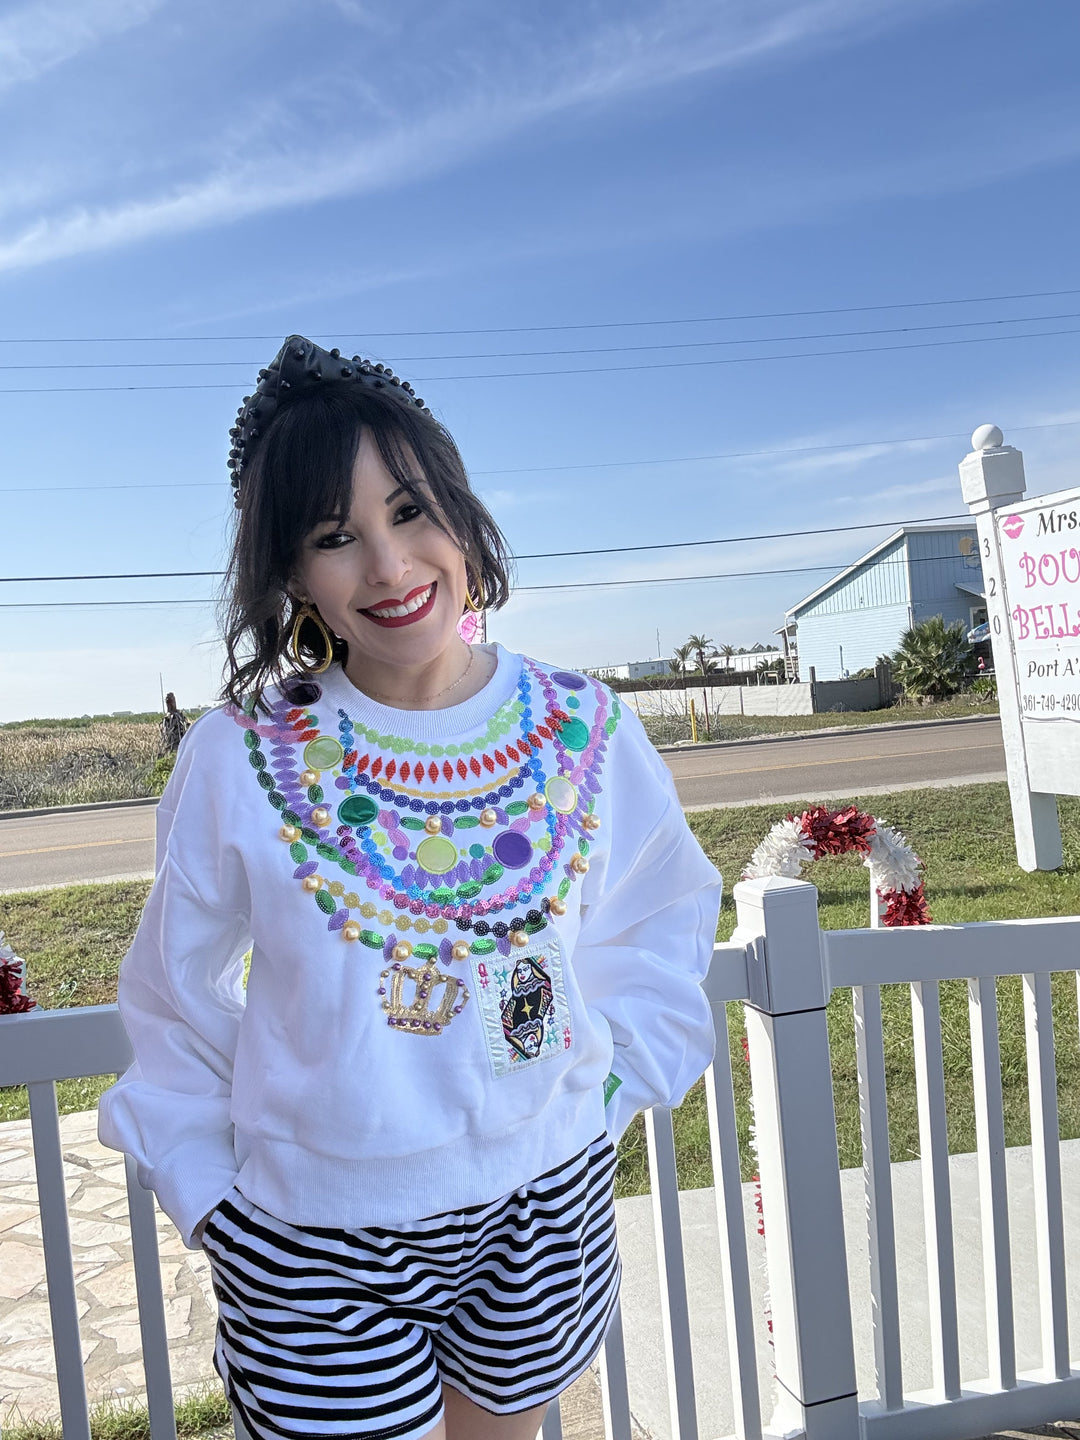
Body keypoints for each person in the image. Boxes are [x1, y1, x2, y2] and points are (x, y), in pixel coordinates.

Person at [97, 336, 723, 1440]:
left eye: (410, 511)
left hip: (543, 1217)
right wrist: (216, 1198)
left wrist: (600, 1103)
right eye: (335, 537)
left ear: (463, 514)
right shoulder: (241, 754)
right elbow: (171, 996)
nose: (388, 568)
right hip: (311, 1243)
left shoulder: (586, 723)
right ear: (293, 576)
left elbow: (657, 924)